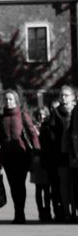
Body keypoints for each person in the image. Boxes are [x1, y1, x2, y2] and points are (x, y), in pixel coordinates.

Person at [0, 90, 40, 224]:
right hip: (7, 156)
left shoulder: (22, 115)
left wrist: (36, 152)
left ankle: (20, 212)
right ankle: (17, 212)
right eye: (6, 99)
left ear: (16, 101)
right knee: (12, 185)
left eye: (10, 99)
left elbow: (33, 134)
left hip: (22, 155)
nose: (8, 102)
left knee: (20, 184)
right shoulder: (0, 118)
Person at [46, 86, 76, 222]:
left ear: (73, 97)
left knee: (75, 184)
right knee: (64, 184)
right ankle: (66, 212)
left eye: (66, 95)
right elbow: (52, 136)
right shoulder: (56, 113)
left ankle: (75, 211)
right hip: (62, 154)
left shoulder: (76, 111)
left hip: (75, 153)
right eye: (61, 95)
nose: (63, 98)